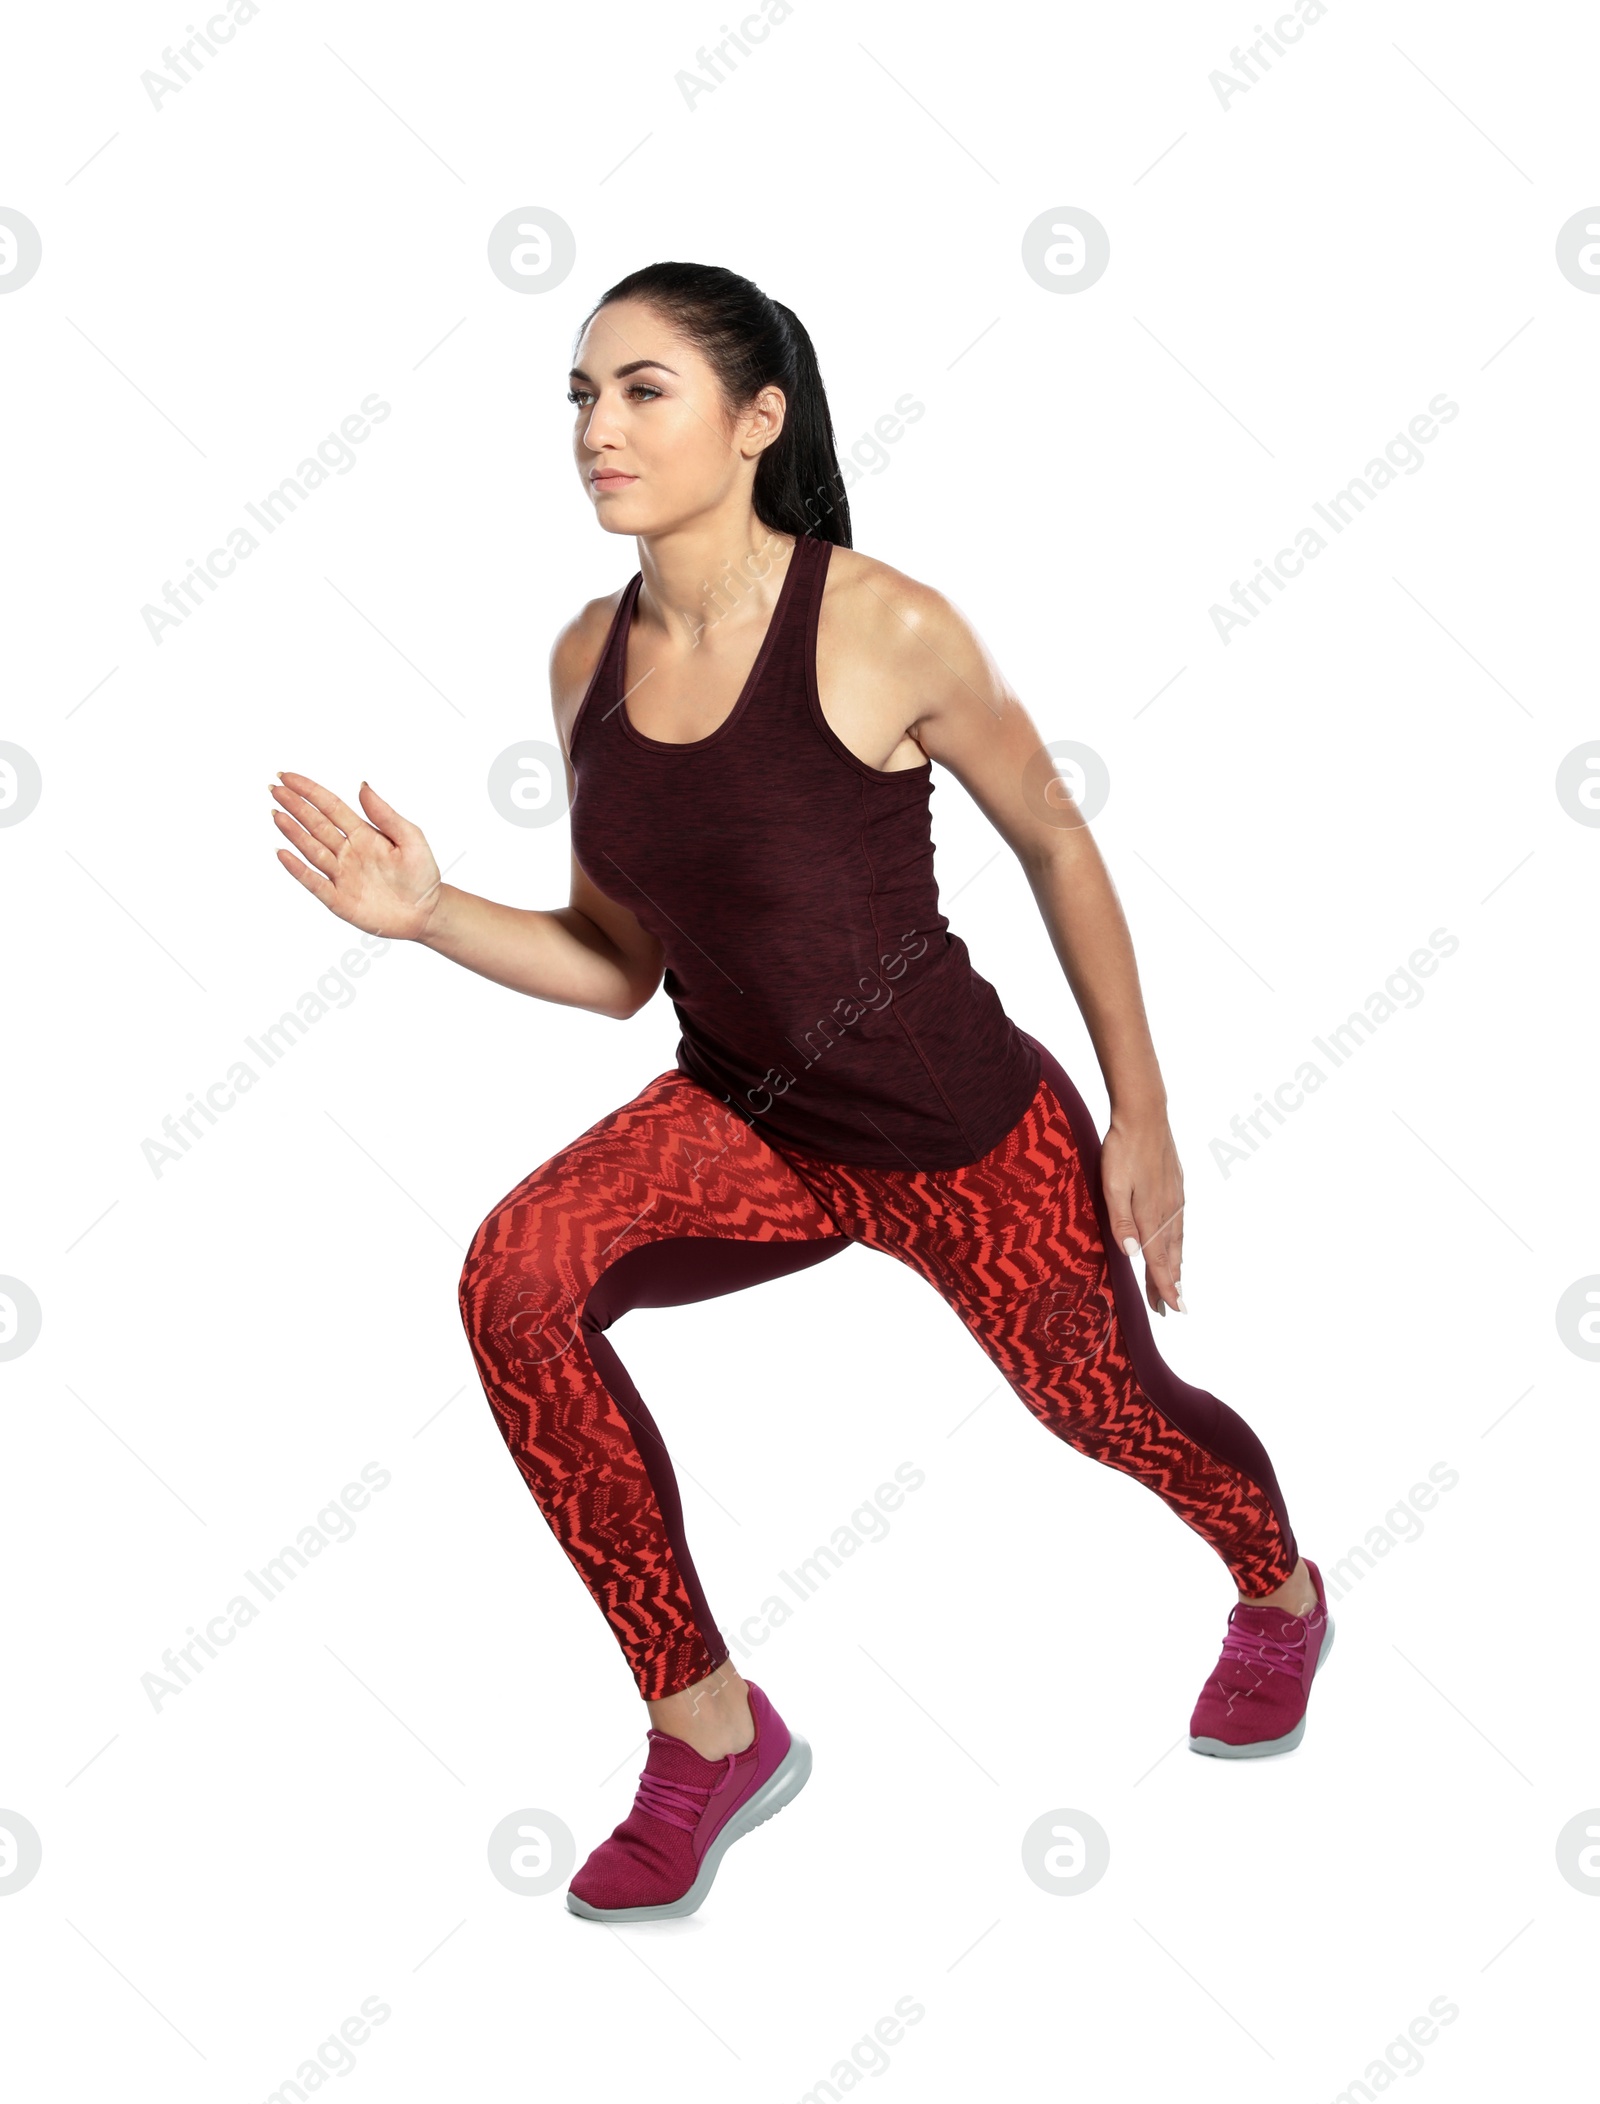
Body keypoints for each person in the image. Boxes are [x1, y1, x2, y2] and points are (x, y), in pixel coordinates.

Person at [268, 260, 1334, 1926]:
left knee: (1103, 1410)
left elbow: (1054, 835)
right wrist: (426, 916)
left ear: (757, 421)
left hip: (955, 1138)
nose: (595, 429)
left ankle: (1279, 1592)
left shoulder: (883, 623)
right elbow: (619, 958)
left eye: (640, 391)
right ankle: (710, 1728)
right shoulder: (584, 658)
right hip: (743, 1124)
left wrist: (1143, 1112)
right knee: (514, 1278)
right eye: (578, 394)